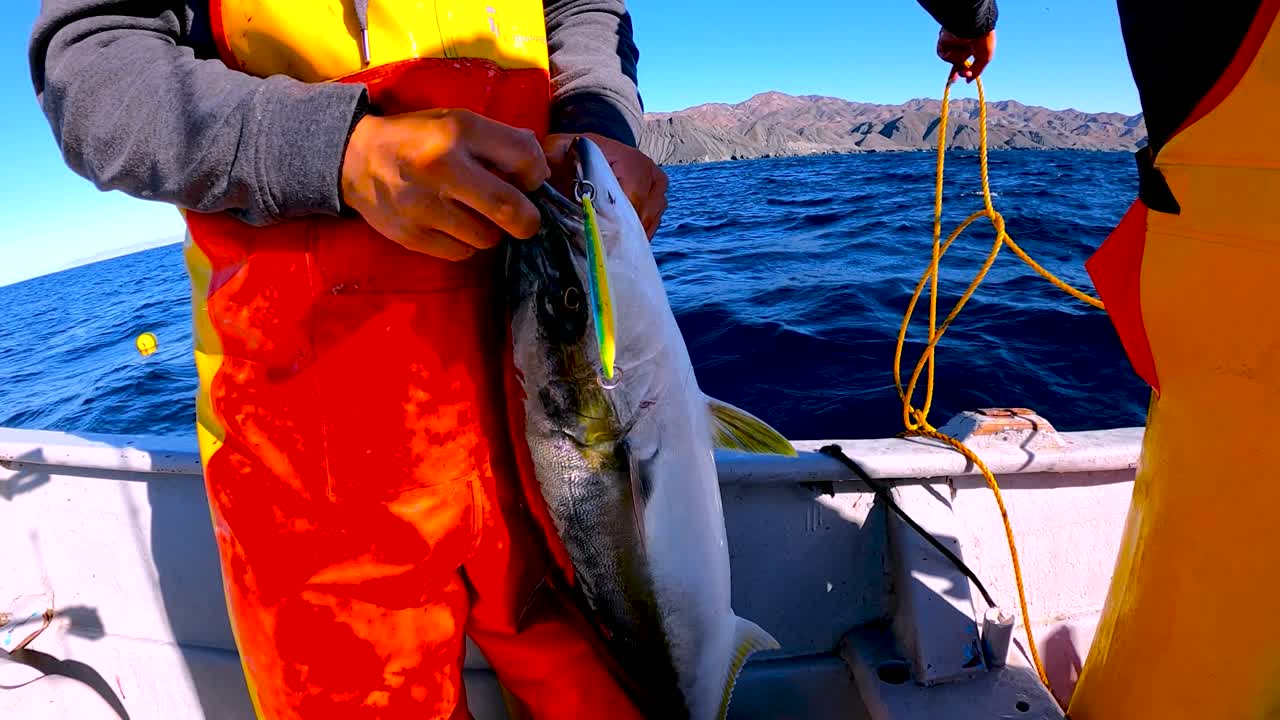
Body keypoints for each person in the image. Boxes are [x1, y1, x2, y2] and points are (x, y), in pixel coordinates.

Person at [29, 1, 665, 718]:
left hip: (561, 415)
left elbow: (581, 11)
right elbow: (91, 67)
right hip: (311, 467)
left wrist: (597, 120)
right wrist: (342, 152)